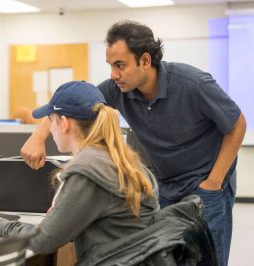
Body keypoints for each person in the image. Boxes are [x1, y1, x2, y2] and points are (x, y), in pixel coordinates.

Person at [21, 21, 246, 266]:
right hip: (166, 185)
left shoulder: (192, 83)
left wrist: (213, 182)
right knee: (170, 257)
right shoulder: (119, 88)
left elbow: (237, 124)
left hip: (206, 184)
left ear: (145, 61)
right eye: (110, 66)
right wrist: (38, 136)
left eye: (120, 65)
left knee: (207, 259)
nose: (113, 75)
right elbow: (72, 105)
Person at [0, 81, 159, 265]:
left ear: (64, 123)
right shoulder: (125, 161)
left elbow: (43, 241)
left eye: (51, 120)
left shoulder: (87, 168)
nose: (50, 129)